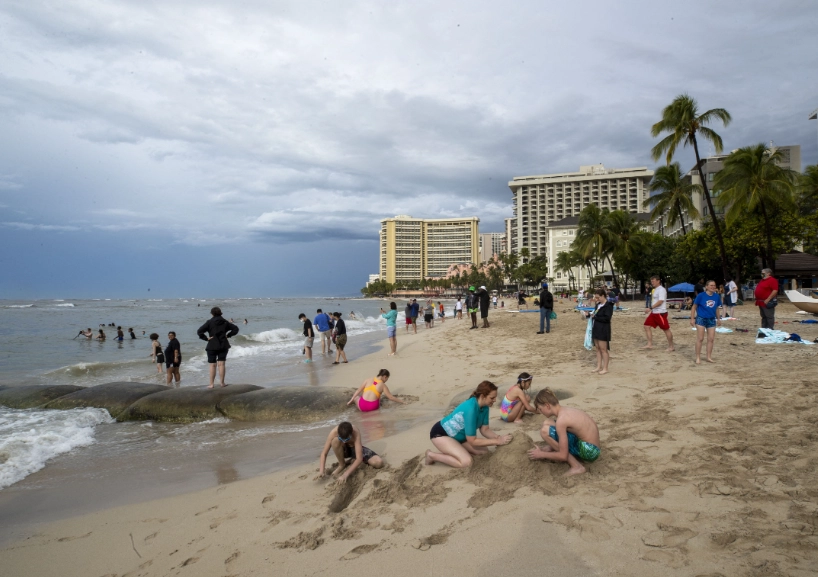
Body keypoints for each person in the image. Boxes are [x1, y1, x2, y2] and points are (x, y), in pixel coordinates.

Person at [425, 381, 512, 468]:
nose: (495, 400)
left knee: (484, 452)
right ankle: (431, 455)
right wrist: (497, 442)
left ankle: (458, 451)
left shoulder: (485, 407)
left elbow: (485, 430)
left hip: (460, 437)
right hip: (442, 434)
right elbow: (472, 441)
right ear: (482, 396)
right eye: (492, 398)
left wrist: (499, 438)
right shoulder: (471, 409)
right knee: (467, 462)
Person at [527, 388, 600, 476]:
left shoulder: (561, 421)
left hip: (589, 452)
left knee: (544, 431)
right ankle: (553, 446)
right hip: (594, 447)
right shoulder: (565, 410)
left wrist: (541, 454)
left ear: (547, 406)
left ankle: (576, 466)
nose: (541, 412)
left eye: (540, 409)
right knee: (547, 423)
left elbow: (563, 456)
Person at [316, 421, 383, 484]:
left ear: (351, 433)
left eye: (347, 439)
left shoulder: (355, 432)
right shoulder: (333, 432)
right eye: (341, 439)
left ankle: (352, 460)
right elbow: (324, 453)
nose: (344, 442)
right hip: (342, 451)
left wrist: (345, 474)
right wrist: (321, 471)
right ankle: (341, 465)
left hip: (354, 449)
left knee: (378, 463)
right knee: (335, 441)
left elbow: (359, 458)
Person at [197, 307, 239, 387]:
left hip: (212, 344)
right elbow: (235, 329)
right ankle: (222, 383)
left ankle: (211, 384)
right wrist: (228, 335)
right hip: (223, 344)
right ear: (220, 313)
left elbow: (199, 331)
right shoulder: (225, 322)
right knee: (221, 364)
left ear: (212, 313)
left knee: (212, 365)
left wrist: (206, 338)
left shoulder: (209, 322)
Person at [690, 280, 723, 364]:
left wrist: (718, 319)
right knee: (700, 338)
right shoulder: (701, 296)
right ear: (707, 286)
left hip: (711, 319)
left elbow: (716, 308)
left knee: (711, 339)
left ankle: (708, 357)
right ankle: (698, 357)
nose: (713, 287)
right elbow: (694, 307)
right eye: (711, 285)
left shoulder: (716, 296)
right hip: (701, 318)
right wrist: (692, 319)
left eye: (714, 285)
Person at [642, 275, 674, 352]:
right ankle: (649, 344)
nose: (652, 282)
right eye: (651, 281)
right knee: (646, 326)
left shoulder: (661, 290)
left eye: (653, 281)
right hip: (654, 312)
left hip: (660, 313)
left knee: (666, 329)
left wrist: (650, 308)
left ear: (658, 281)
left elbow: (660, 301)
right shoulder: (655, 289)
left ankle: (671, 346)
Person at [591, 288, 613, 375]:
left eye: (598, 297)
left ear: (603, 296)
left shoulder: (608, 305)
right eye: (595, 298)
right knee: (597, 348)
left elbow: (607, 318)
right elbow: (595, 314)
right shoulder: (598, 305)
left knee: (603, 349)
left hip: (603, 329)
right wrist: (589, 315)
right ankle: (598, 366)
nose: (596, 299)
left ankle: (605, 368)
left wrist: (595, 317)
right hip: (596, 327)